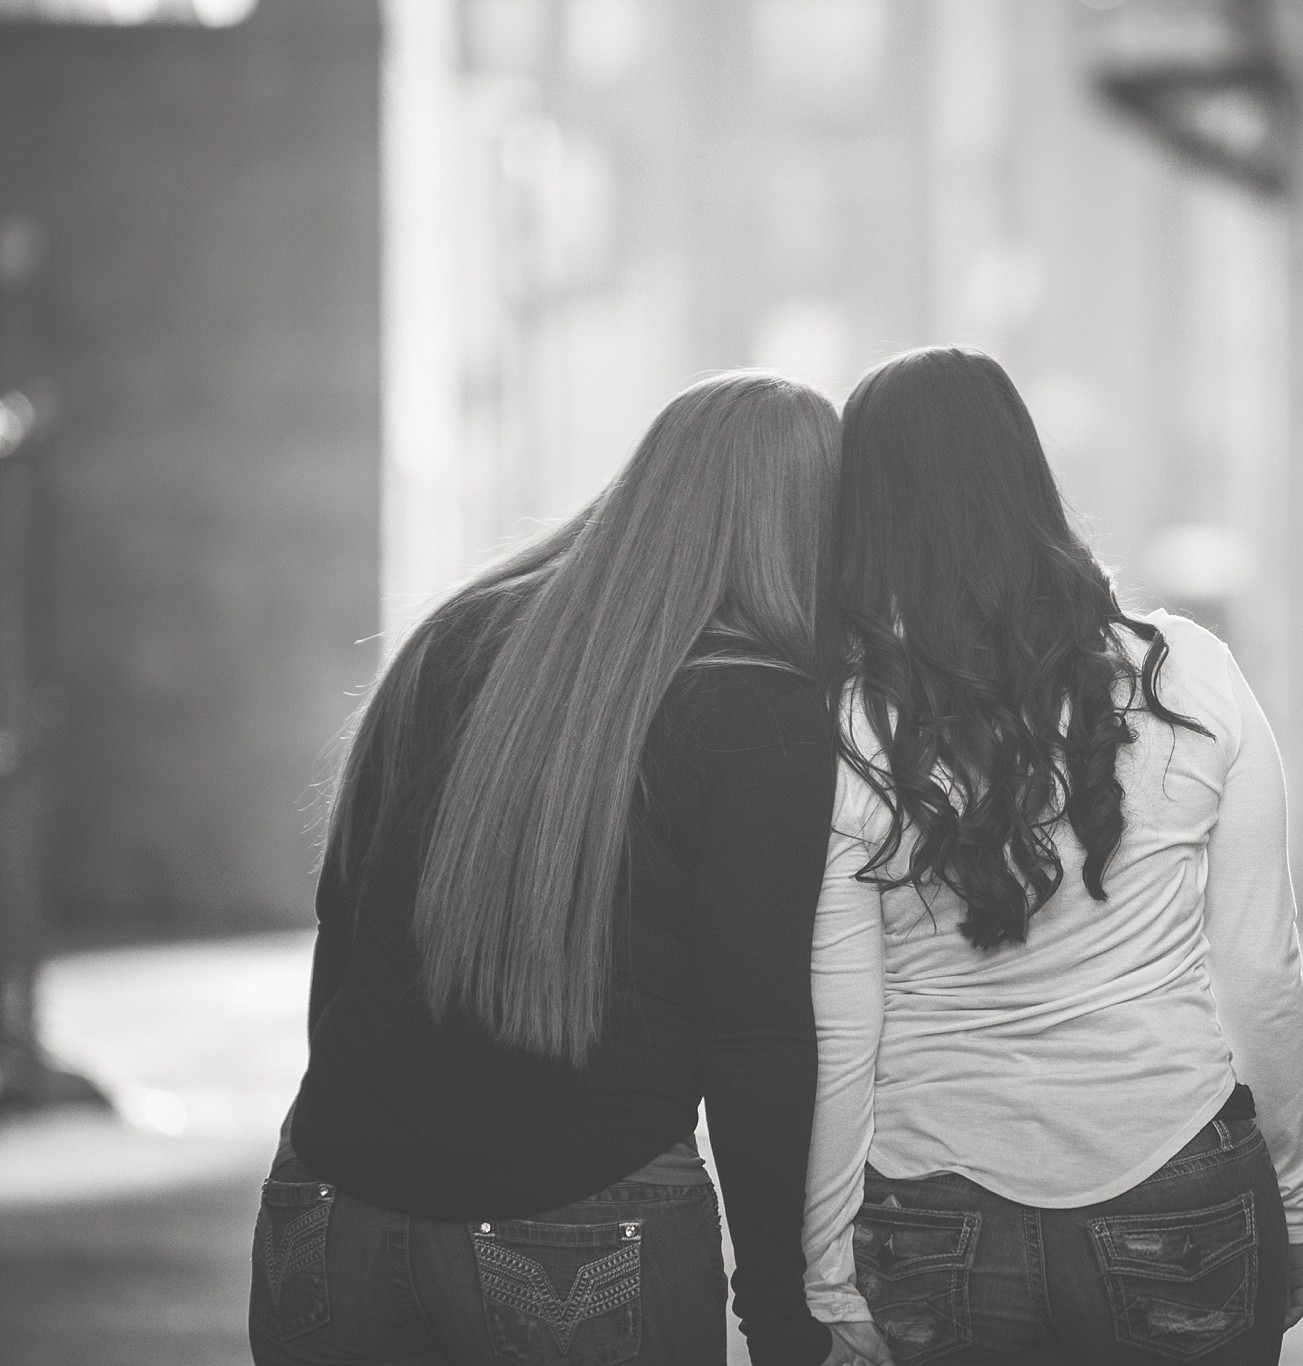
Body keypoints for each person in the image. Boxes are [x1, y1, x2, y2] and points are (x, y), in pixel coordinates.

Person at [252, 372, 878, 1366]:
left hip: (329, 1207)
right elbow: (753, 1034)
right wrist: (779, 1304)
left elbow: (345, 919)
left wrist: (358, 1131)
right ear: (809, 529)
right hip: (581, 1225)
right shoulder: (764, 715)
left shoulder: (456, 636)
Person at [802, 347, 1303, 1364]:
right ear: (1028, 477)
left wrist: (823, 1263)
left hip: (931, 1208)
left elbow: (840, 1029)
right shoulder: (1190, 673)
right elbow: (1260, 971)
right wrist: (1291, 1198)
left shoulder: (849, 727)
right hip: (1178, 1179)